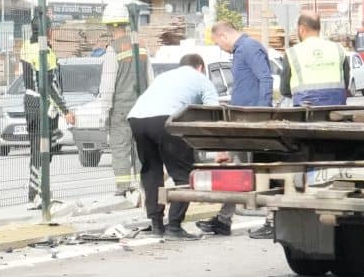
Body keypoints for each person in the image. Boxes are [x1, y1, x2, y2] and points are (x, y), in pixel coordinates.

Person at [127, 52, 219, 239]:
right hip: (166, 120)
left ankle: (157, 224)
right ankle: (174, 226)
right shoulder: (200, 78)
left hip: (137, 118)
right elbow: (213, 111)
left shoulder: (165, 76)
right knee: (184, 174)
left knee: (151, 171)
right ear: (200, 67)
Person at [204, 21, 274, 236]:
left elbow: (265, 78)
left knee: (259, 171)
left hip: (252, 119)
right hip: (242, 119)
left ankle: (272, 220)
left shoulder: (250, 47)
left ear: (223, 36)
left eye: (218, 43)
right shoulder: (242, 50)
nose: (220, 48)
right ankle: (223, 220)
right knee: (236, 170)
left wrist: (262, 113)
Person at [97, 16, 151, 203]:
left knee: (120, 148)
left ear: (110, 27)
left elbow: (108, 84)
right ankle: (140, 184)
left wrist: (104, 111)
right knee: (140, 147)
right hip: (142, 106)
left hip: (121, 107)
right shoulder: (142, 45)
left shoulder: (113, 49)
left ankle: (123, 188)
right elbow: (150, 76)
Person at [19, 37, 74, 206]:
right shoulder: (46, 52)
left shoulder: (26, 46)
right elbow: (51, 84)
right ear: (47, 31)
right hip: (44, 106)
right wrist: (65, 110)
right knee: (43, 151)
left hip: (30, 103)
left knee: (38, 149)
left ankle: (36, 192)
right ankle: (37, 194)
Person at [287, 13, 348, 108]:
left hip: (304, 111)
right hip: (336, 108)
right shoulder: (338, 49)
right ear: (319, 29)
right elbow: (346, 81)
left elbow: (284, 88)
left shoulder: (292, 53)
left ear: (301, 29)